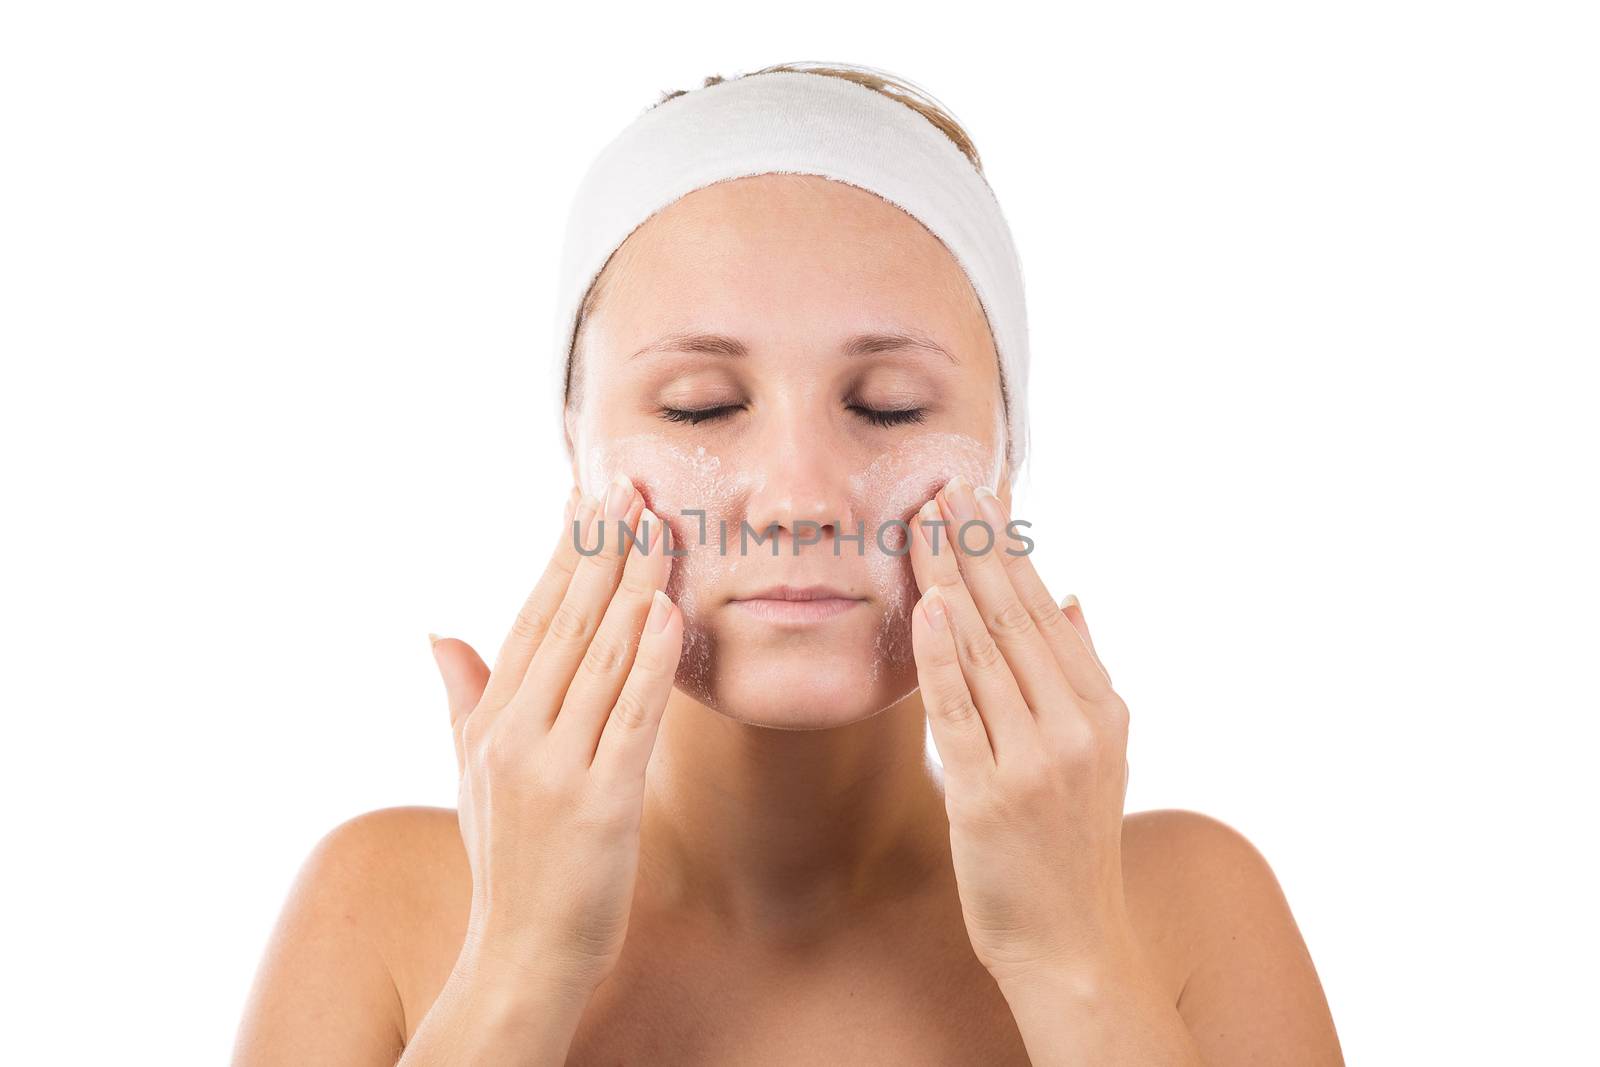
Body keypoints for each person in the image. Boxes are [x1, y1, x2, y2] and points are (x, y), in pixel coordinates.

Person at [232, 62, 1344, 1065]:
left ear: (1006, 467)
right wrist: (519, 962)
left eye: (889, 406)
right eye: (701, 406)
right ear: (576, 463)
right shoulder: (381, 906)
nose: (802, 496)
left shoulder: (1186, 908)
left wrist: (1075, 958)